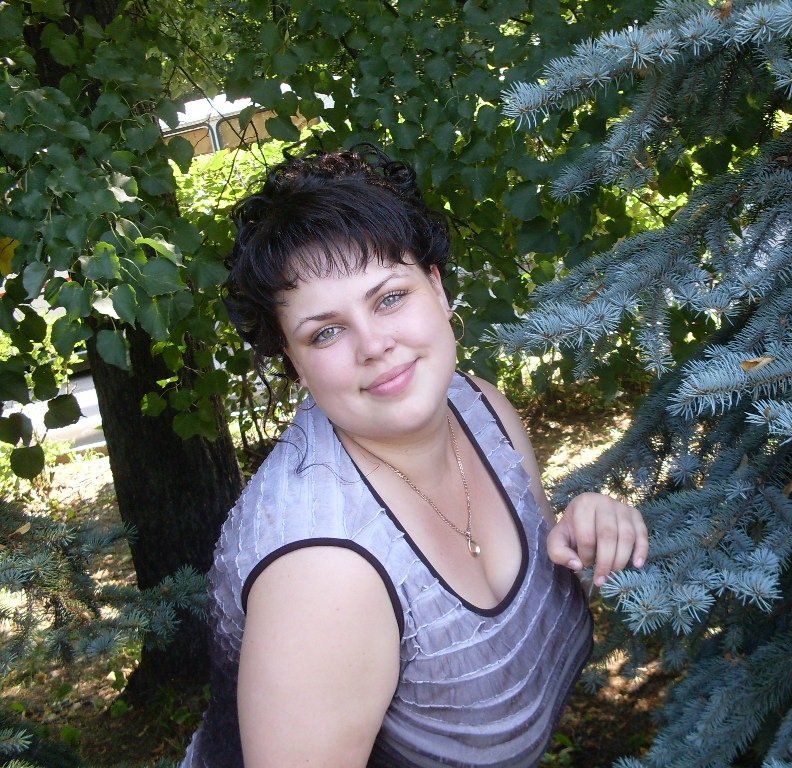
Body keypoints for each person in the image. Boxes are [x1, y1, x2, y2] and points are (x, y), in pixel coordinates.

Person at [179, 145, 648, 768]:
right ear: (295, 362)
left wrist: (587, 527)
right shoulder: (323, 575)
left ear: (437, 287)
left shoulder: (479, 408)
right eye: (326, 331)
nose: (373, 344)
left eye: (390, 298)